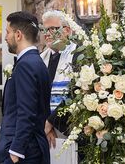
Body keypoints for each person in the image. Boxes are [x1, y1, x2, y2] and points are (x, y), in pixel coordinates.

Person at [0, 11, 51, 164]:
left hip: (23, 153)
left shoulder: (26, 65)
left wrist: (16, 150)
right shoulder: (37, 63)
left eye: (8, 32)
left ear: (18, 35)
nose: (6, 37)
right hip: (32, 148)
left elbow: (27, 112)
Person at [40, 10, 77, 163]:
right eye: (44, 30)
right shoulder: (42, 58)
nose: (47, 34)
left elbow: (77, 94)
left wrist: (51, 123)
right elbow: (37, 96)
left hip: (70, 131)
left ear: (67, 30)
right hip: (47, 134)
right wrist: (46, 126)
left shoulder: (78, 55)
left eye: (52, 29)